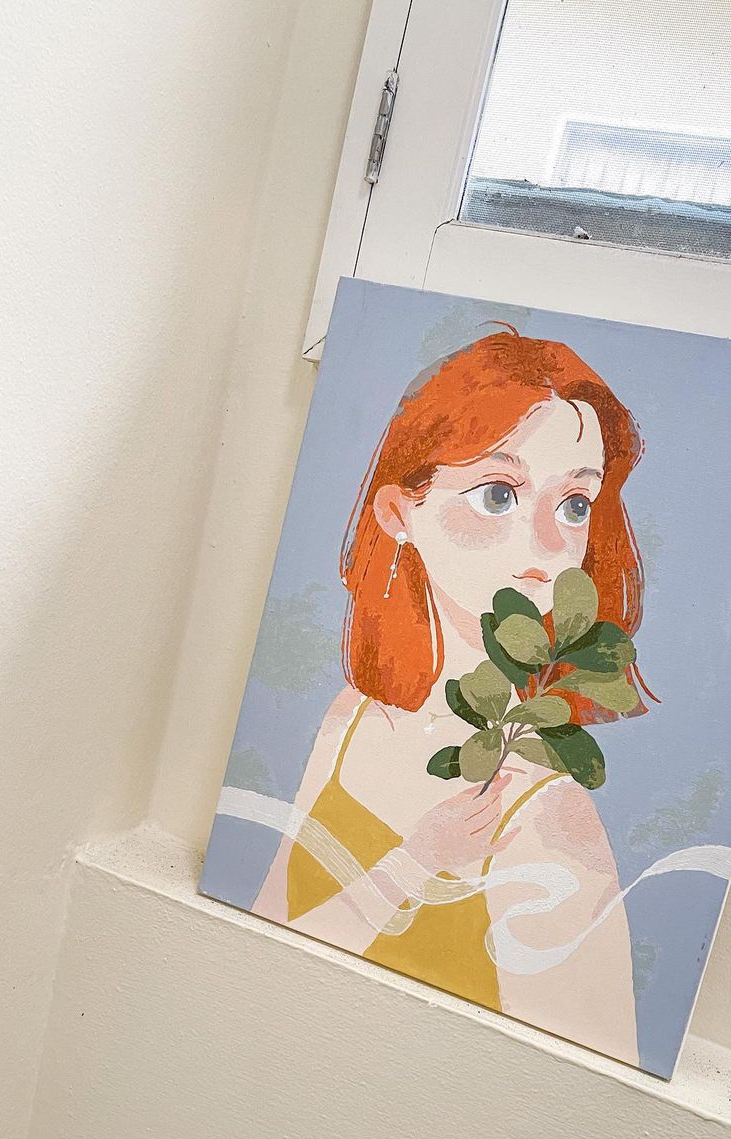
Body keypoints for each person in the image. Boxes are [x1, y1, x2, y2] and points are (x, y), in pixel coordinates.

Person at [254, 327, 653, 1064]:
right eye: (499, 494)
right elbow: (263, 928)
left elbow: (579, 1081)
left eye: (574, 504)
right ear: (399, 514)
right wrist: (418, 862)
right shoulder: (352, 720)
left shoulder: (547, 816)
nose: (546, 546)